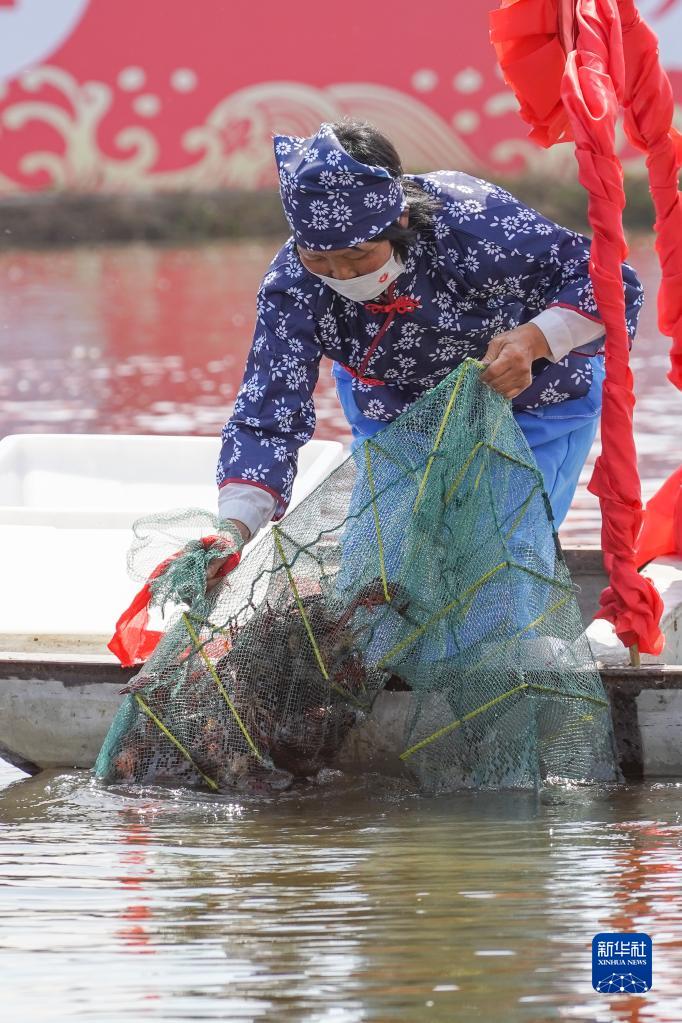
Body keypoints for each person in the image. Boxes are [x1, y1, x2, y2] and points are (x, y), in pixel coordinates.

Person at [208, 119, 642, 585]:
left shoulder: (474, 222)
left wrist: (534, 340)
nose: (339, 272)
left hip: (527, 402)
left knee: (499, 562)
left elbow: (611, 283)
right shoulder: (293, 287)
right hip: (394, 413)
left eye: (357, 256)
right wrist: (232, 530)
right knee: (379, 569)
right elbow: (267, 414)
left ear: (398, 221)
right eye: (319, 257)